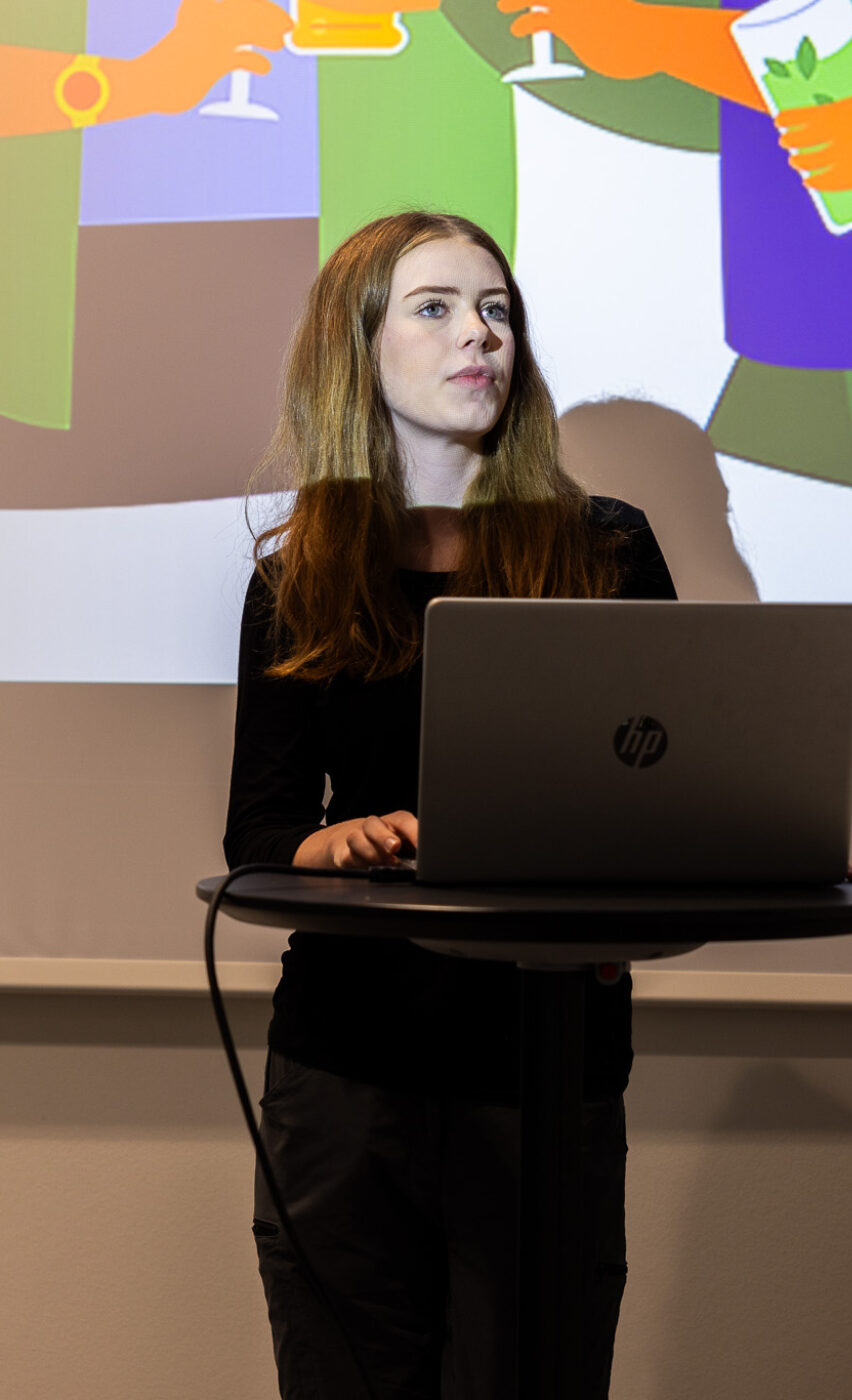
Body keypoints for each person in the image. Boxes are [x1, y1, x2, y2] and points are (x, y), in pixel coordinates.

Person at [223, 210, 677, 1400]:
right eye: (435, 308)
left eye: (496, 310)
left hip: (545, 1064)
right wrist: (327, 841)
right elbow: (259, 832)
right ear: (357, 347)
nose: (480, 333)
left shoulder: (607, 553)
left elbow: (670, 797)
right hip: (346, 1073)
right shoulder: (297, 576)